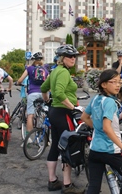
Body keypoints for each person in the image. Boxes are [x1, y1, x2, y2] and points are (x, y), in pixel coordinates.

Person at [41, 44, 85, 194]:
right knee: (69, 146)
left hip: (54, 112)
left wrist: (47, 101)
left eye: (74, 56)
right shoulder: (64, 73)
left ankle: (52, 181)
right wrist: (73, 108)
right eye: (70, 56)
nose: (73, 59)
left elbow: (44, 88)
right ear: (62, 58)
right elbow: (59, 93)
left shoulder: (54, 71)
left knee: (56, 145)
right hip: (64, 113)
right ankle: (67, 185)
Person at [81, 69, 122, 194]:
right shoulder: (110, 102)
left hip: (95, 150)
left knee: (94, 187)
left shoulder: (96, 98)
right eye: (113, 82)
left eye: (119, 82)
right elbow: (106, 127)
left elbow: (84, 117)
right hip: (111, 151)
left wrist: (96, 127)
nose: (118, 85)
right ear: (103, 84)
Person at [17, 52, 49, 140]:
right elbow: (48, 82)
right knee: (43, 114)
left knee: (30, 115)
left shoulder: (29, 68)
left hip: (32, 93)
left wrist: (18, 83)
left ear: (33, 60)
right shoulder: (45, 70)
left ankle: (28, 138)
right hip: (43, 94)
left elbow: (20, 80)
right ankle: (44, 136)